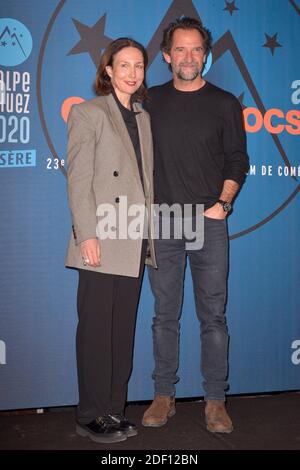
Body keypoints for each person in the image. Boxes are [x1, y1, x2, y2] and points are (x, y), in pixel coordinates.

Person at [142, 17, 249, 433]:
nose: (189, 57)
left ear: (206, 55)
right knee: (163, 316)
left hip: (209, 222)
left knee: (213, 316)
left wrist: (223, 204)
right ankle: (163, 395)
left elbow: (237, 160)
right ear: (167, 55)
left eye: (197, 49)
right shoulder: (149, 101)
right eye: (180, 49)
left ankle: (215, 401)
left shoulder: (225, 103)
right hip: (163, 221)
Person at [65, 37, 156, 444]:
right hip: (101, 238)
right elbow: (79, 179)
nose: (132, 73)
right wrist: (87, 235)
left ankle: (114, 410)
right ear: (108, 70)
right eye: (124, 65)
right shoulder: (89, 113)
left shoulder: (144, 118)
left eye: (139, 66)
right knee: (97, 331)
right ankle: (90, 414)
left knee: (122, 331)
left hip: (134, 237)